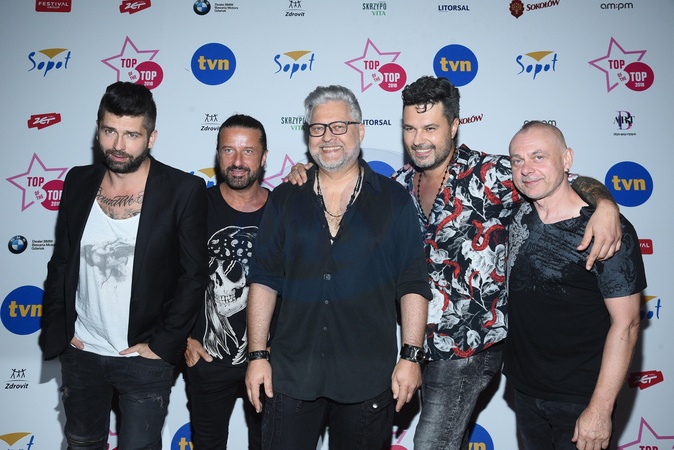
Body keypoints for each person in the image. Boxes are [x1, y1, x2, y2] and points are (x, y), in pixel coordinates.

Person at [284, 75, 622, 450]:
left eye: (430, 128)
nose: (418, 139)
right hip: (418, 347)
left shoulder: (492, 175)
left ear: (454, 126)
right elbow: (344, 187)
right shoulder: (398, 186)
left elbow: (565, 181)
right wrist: (309, 172)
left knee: (432, 443)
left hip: (470, 348)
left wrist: (605, 204)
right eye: (410, 128)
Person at [244, 85, 433, 450]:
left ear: (360, 131)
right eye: (318, 128)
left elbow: (412, 282)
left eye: (339, 126)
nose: (327, 137)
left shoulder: (393, 200)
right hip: (291, 376)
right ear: (308, 136)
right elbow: (264, 280)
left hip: (367, 379)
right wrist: (256, 355)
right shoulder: (285, 198)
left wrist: (411, 356)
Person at [40, 81, 208, 450]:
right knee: (81, 443)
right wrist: (60, 326)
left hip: (144, 356)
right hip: (82, 351)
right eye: (109, 131)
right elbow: (62, 261)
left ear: (151, 138)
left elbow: (194, 277)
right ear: (97, 130)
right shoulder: (78, 181)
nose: (118, 145)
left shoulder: (182, 190)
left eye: (132, 134)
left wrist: (163, 344)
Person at [504, 121, 646, 450]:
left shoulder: (606, 231)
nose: (526, 169)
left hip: (580, 398)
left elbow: (627, 324)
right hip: (525, 390)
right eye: (517, 160)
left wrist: (600, 409)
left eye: (539, 156)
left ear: (567, 159)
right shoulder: (517, 213)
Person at [184, 114, 270, 449]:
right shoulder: (195, 207)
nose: (237, 161)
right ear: (218, 154)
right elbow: (165, 276)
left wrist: (283, 347)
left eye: (248, 151)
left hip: (269, 362)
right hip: (207, 360)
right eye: (228, 150)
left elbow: (301, 284)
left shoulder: (283, 210)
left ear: (263, 157)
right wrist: (181, 340)